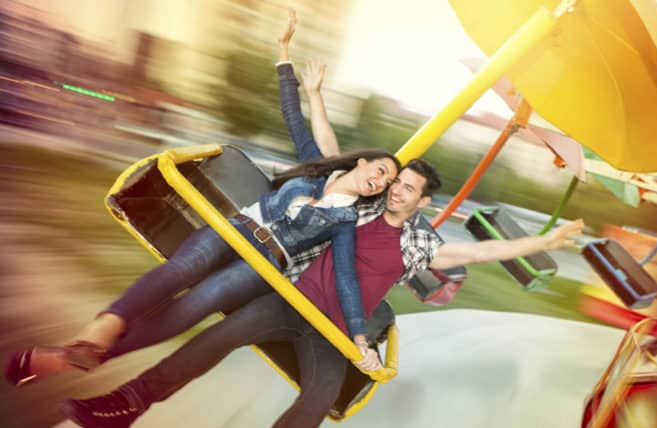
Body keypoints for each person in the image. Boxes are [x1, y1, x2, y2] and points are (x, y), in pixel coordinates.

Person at [4, 9, 399, 388]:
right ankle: (99, 330)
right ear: (362, 162)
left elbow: (346, 279)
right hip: (235, 229)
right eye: (380, 170)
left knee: (191, 308)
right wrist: (283, 52)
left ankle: (74, 357)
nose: (380, 181)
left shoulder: (345, 222)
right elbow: (293, 115)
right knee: (180, 270)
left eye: (387, 182)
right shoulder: (317, 167)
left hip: (262, 265)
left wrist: (361, 340)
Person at [57, 157, 584, 428]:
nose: (396, 189)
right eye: (395, 181)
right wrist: (310, 95)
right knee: (216, 340)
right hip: (286, 301)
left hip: (331, 331)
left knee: (316, 399)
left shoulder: (422, 242)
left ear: (423, 200)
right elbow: (343, 167)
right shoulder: (358, 206)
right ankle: (124, 406)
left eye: (408, 188)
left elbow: (481, 254)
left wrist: (548, 241)